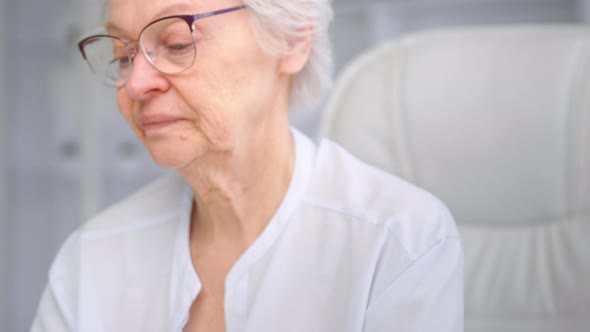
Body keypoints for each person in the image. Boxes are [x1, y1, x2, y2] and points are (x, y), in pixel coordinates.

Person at [31, 0, 463, 331]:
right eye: (123, 56)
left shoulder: (399, 241)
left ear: (293, 40)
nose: (136, 84)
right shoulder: (91, 258)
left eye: (177, 44)